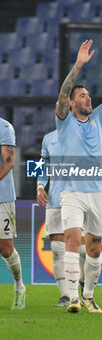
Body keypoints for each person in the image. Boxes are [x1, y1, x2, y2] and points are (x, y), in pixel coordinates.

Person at [55, 37, 102, 313]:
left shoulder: (98, 117)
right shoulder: (64, 121)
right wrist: (78, 66)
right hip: (72, 191)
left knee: (95, 249)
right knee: (73, 238)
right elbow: (62, 96)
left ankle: (88, 294)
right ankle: (72, 297)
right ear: (72, 103)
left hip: (97, 193)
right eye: (83, 96)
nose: (88, 98)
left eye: (88, 96)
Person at [37, 130, 87, 306]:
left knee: (80, 250)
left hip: (78, 199)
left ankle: (84, 286)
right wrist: (40, 186)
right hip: (55, 200)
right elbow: (41, 165)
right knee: (58, 251)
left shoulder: (85, 134)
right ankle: (66, 296)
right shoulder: (48, 138)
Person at [0, 117, 26, 310]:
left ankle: (19, 284)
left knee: (6, 249)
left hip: (2, 197)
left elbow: (8, 162)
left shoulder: (4, 127)